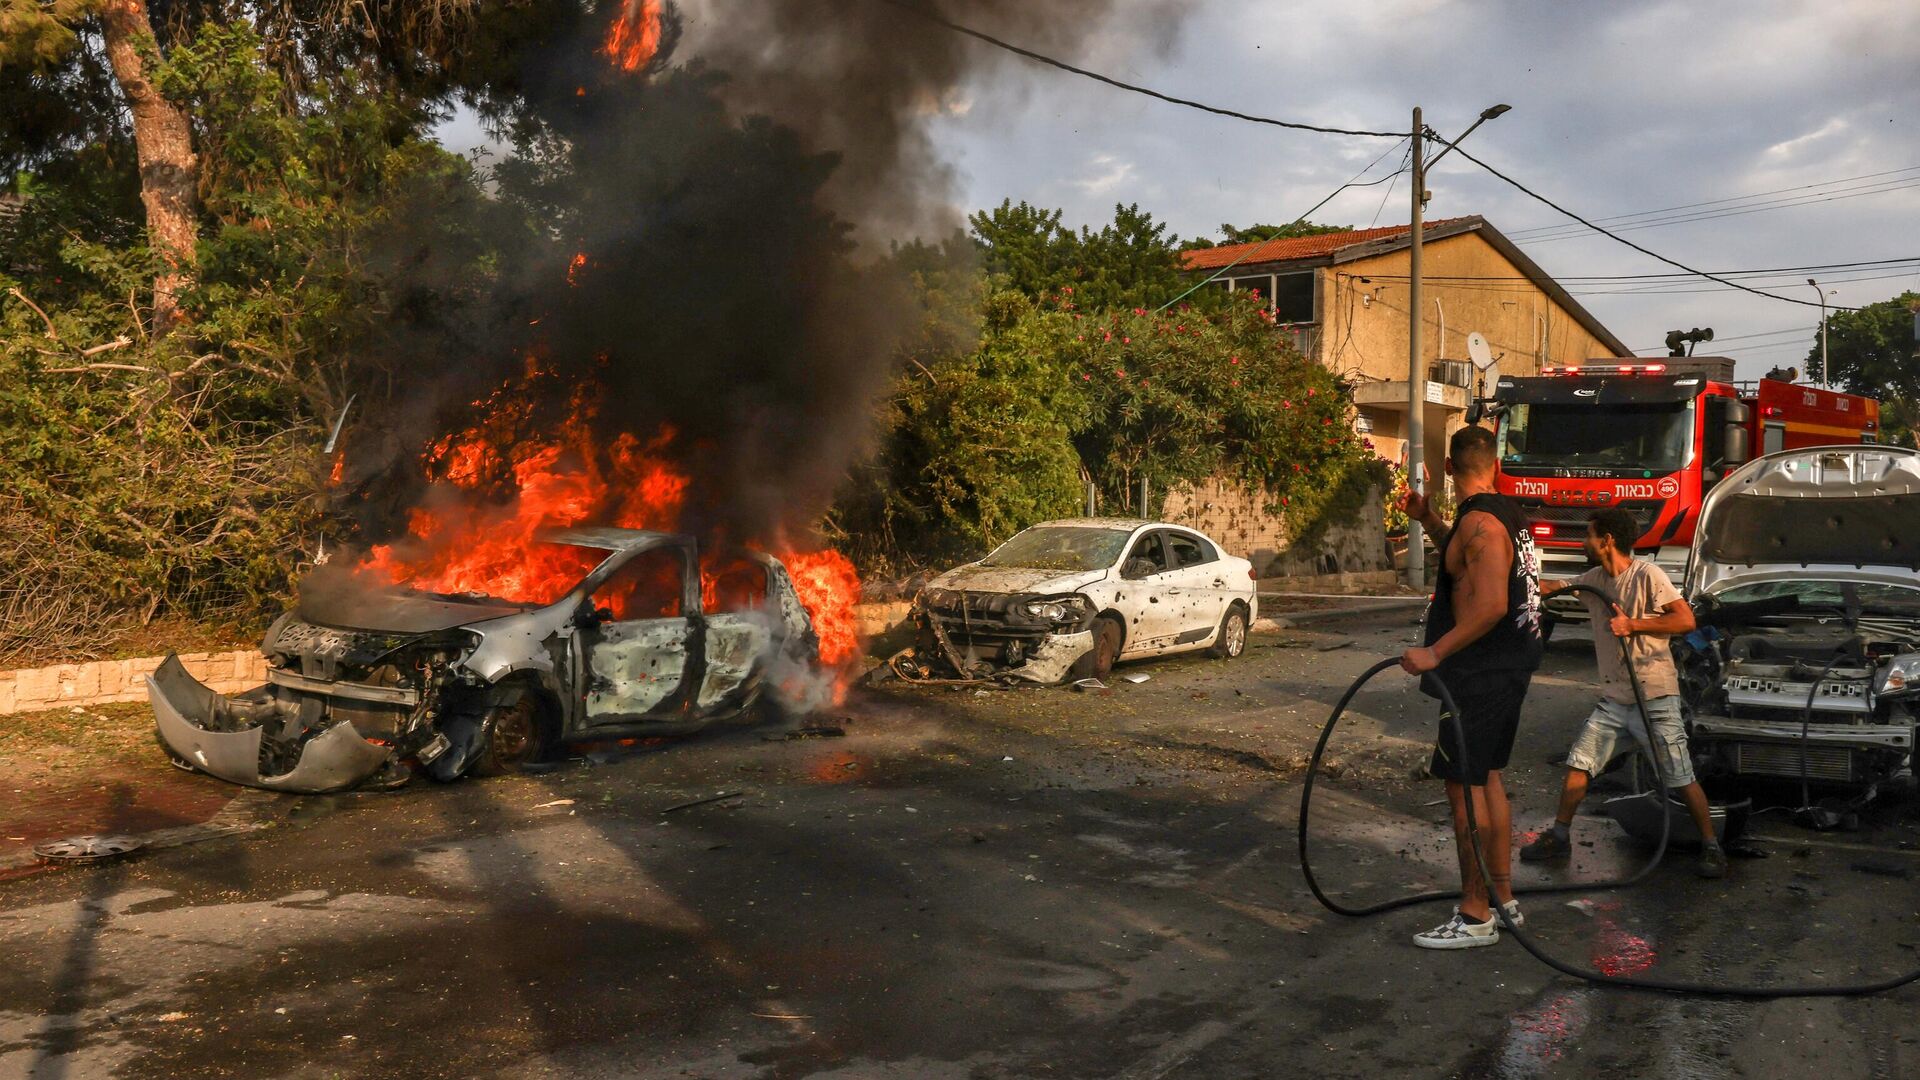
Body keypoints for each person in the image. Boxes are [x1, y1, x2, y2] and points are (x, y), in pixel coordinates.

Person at [1400, 425, 1545, 950]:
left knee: (1463, 785)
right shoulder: (1501, 515)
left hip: (1478, 673)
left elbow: (1488, 605)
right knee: (1487, 779)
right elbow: (1464, 563)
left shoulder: (1481, 520)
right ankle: (1502, 898)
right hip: (1505, 669)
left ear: (1446, 468)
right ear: (1496, 465)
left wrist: (1433, 653)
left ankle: (1475, 914)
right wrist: (1428, 520)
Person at [1522, 509, 1727, 878]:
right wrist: (1516, 579)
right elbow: (1557, 587)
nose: (1584, 541)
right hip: (1615, 701)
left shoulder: (1648, 575)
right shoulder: (1595, 578)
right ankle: (1559, 835)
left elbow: (1685, 620)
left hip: (1655, 699)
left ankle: (1711, 846)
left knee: (1680, 777)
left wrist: (1633, 624)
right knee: (1578, 766)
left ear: (1607, 540)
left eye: (1588, 534)